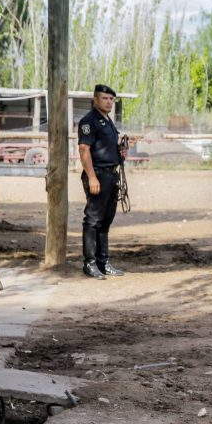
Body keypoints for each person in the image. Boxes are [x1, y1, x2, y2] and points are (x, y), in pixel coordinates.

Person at [78, 84, 127, 279]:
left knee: (106, 220)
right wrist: (91, 177)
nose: (109, 102)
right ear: (95, 99)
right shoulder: (89, 121)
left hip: (112, 175)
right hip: (98, 174)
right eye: (105, 98)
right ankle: (89, 263)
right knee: (92, 220)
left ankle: (103, 261)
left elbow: (105, 148)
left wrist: (120, 152)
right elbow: (84, 149)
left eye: (111, 99)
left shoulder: (108, 121)